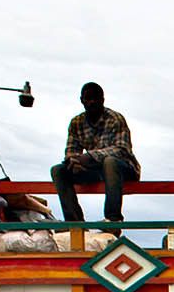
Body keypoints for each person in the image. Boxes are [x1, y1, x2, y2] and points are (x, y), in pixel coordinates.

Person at [51, 83, 140, 224]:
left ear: (102, 100)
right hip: (95, 171)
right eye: (88, 99)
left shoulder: (115, 119)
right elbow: (71, 151)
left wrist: (89, 157)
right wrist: (73, 162)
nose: (91, 102)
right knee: (58, 170)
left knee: (109, 162)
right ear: (82, 100)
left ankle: (113, 219)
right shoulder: (76, 123)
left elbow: (122, 150)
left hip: (123, 170)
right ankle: (74, 222)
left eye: (95, 98)